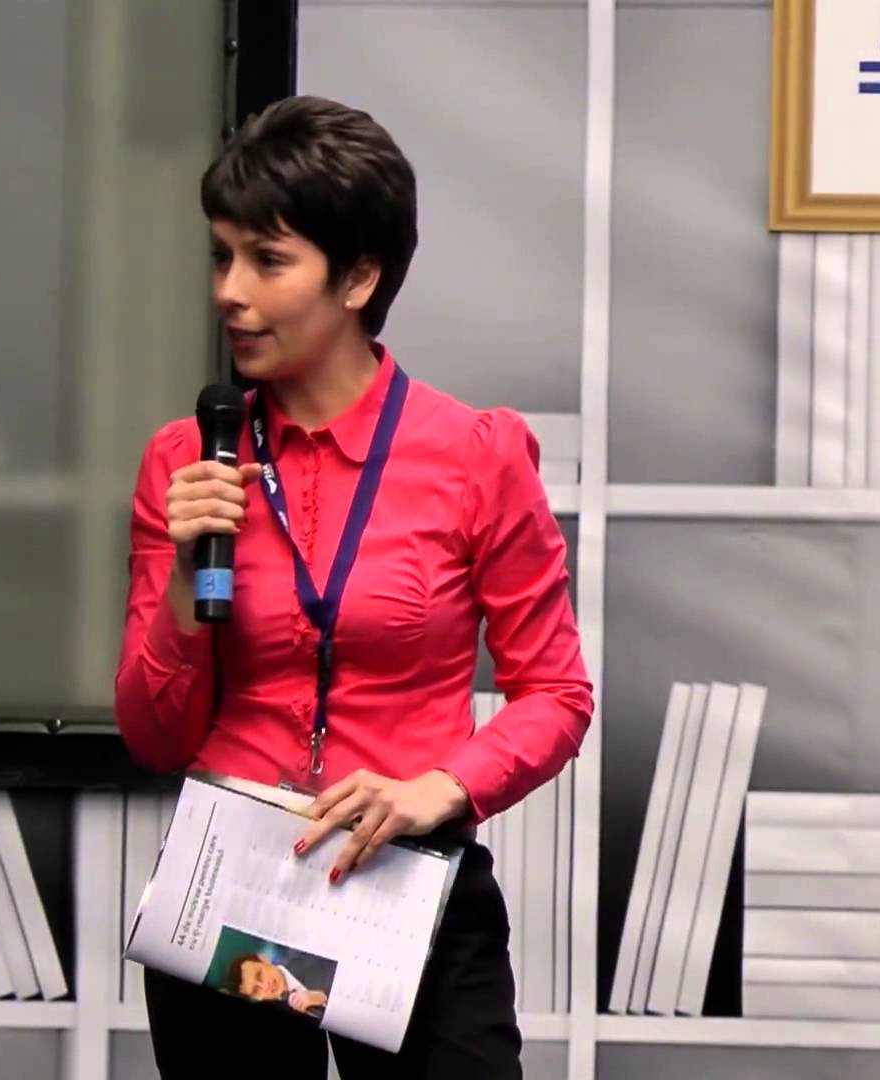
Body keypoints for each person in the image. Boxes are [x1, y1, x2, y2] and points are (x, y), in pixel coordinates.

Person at [115, 94, 591, 1080]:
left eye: (267, 260)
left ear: (359, 277)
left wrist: (435, 790)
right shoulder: (187, 459)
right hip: (235, 877)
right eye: (220, 257)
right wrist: (183, 587)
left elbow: (556, 694)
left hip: (410, 876)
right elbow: (156, 737)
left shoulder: (473, 455)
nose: (229, 293)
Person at [224, 951, 333, 1019]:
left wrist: (324, 998)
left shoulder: (308, 954)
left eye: (259, 975)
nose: (265, 986)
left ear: (264, 959)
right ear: (256, 998)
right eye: (255, 990)